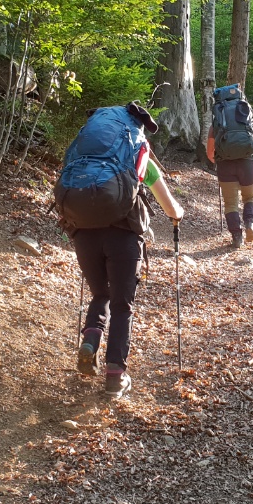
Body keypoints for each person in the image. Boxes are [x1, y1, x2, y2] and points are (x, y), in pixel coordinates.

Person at [54, 101, 183, 397]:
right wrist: (178, 214)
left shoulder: (81, 152)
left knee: (101, 294)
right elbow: (170, 207)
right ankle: (115, 376)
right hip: (123, 236)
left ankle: (91, 340)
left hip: (83, 234)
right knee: (122, 305)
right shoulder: (137, 154)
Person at [206, 83, 253, 250]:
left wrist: (221, 159)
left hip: (225, 165)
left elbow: (210, 153)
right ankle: (250, 225)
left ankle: (237, 237)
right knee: (250, 197)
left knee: (231, 203)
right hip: (247, 163)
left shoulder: (217, 123)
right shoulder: (246, 118)